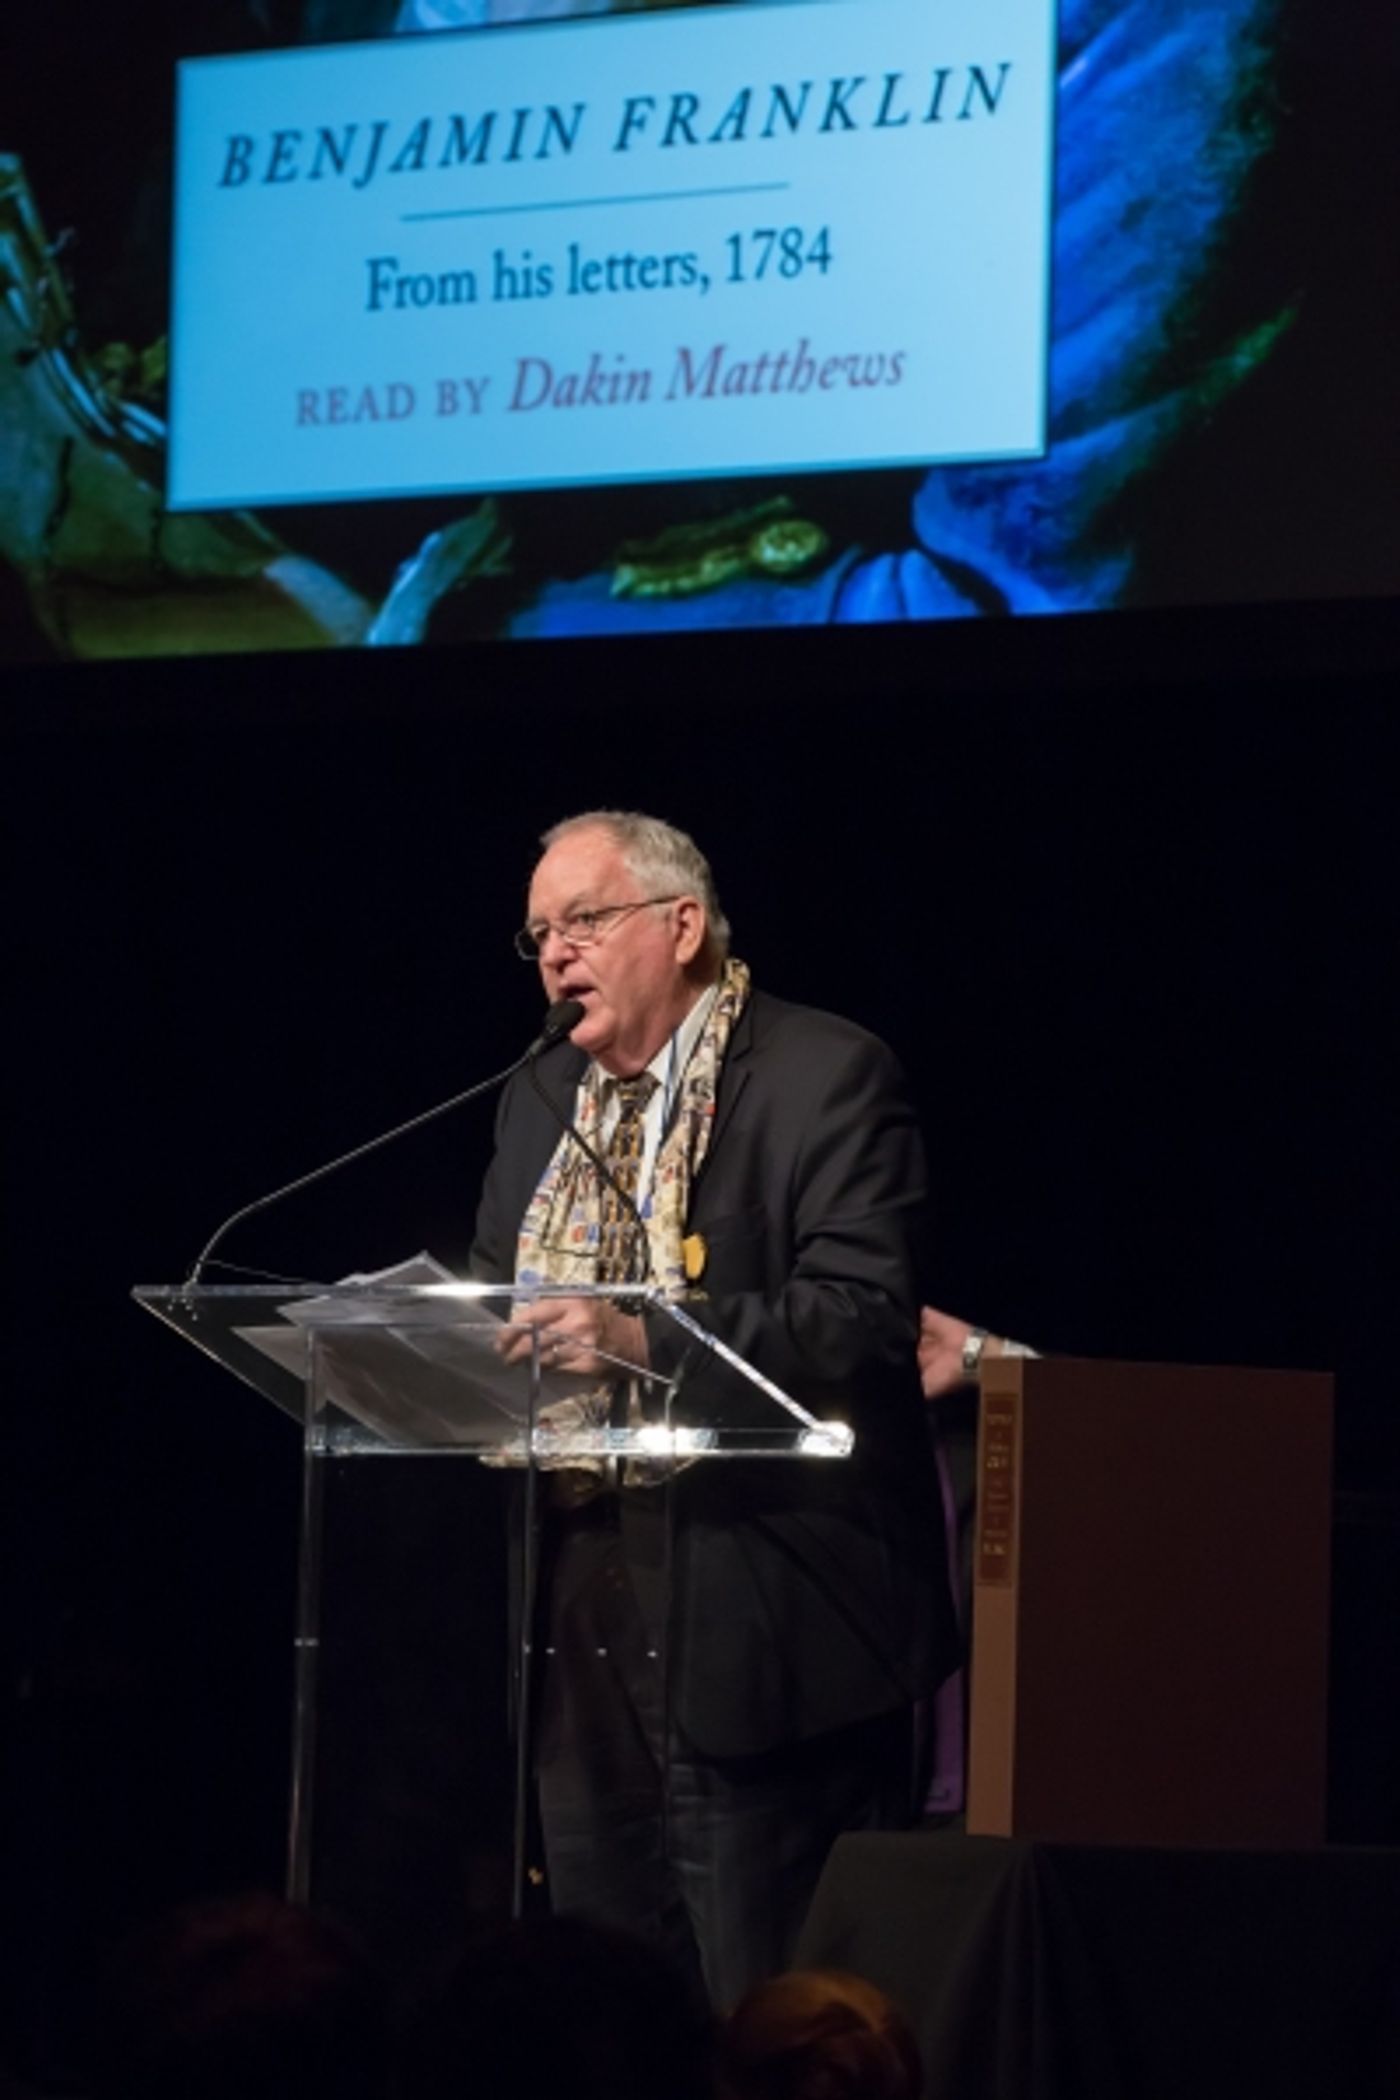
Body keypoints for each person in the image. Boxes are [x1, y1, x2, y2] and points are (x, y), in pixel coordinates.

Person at [469, 811, 957, 2009]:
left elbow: (856, 1316)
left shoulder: (820, 1072)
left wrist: (639, 1335)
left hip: (766, 1600)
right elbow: (497, 1295)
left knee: (767, 2005)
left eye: (584, 920)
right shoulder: (539, 1094)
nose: (555, 953)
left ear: (680, 925)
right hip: (581, 1591)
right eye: (537, 933)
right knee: (611, 2008)